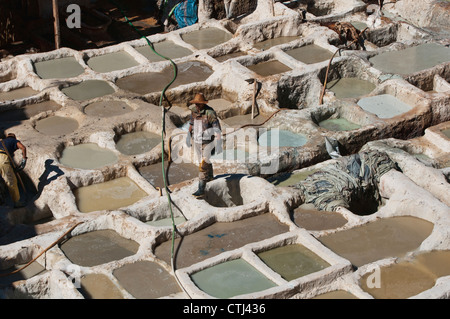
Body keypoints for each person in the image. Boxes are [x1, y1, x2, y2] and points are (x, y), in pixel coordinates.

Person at [186, 93, 222, 198]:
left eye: (199, 104)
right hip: (197, 141)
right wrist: (188, 136)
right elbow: (191, 124)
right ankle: (210, 177)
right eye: (196, 104)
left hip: (207, 143)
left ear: (203, 104)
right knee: (203, 162)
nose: (197, 106)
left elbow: (217, 129)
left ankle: (201, 189)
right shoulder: (193, 111)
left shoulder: (210, 113)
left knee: (203, 165)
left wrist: (219, 143)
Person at [0, 133, 27, 208]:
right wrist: (24, 159)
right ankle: (17, 202)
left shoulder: (2, 142)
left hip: (2, 158)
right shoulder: (13, 141)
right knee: (11, 181)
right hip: (2, 159)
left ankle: (1, 200)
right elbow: (23, 148)